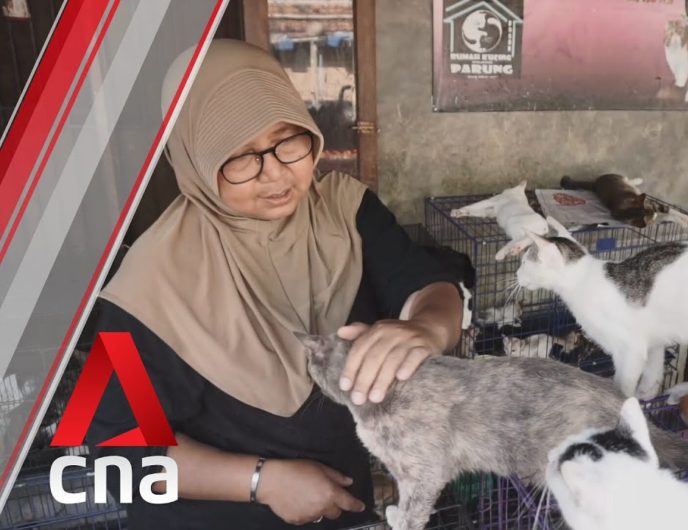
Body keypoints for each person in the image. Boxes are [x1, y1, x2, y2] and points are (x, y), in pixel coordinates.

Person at [86, 39, 463, 529]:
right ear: (195, 158)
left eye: (289, 141)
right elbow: (112, 456)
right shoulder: (141, 288)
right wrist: (263, 482)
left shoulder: (348, 212)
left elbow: (428, 283)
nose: (276, 174)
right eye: (240, 158)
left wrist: (428, 328)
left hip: (339, 510)